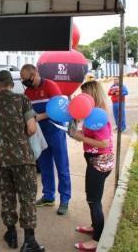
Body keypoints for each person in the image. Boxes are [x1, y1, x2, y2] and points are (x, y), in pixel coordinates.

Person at [0, 70, 45, 252]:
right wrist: (18, 137)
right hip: (23, 158)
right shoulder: (22, 100)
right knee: (27, 198)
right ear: (11, 84)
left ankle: (11, 234)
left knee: (7, 197)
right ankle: (29, 242)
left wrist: (0, 133)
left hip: (2, 160)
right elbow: (32, 128)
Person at [20, 64, 71, 215]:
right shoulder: (28, 92)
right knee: (45, 166)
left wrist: (41, 116)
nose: (25, 82)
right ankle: (48, 196)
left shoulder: (50, 86)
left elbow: (61, 108)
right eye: (23, 80)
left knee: (62, 166)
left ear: (34, 73)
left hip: (55, 130)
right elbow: (28, 113)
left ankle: (65, 199)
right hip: (40, 134)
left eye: (26, 79)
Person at [71, 80, 113, 251]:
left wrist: (81, 138)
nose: (81, 98)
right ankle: (95, 226)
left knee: (93, 200)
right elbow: (93, 135)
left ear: (92, 96)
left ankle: (97, 239)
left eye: (84, 94)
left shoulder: (99, 115)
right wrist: (77, 132)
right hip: (96, 160)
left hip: (99, 161)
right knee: (93, 198)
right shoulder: (92, 115)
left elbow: (103, 142)